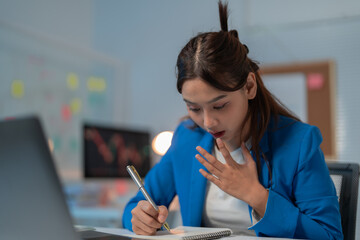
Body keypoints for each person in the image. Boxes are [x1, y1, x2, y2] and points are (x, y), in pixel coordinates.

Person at [122, 1, 343, 239]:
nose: (208, 122)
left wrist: (257, 196)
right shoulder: (187, 137)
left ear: (249, 86)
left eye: (220, 105)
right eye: (194, 108)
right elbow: (134, 207)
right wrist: (139, 217)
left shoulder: (299, 142)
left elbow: (329, 234)